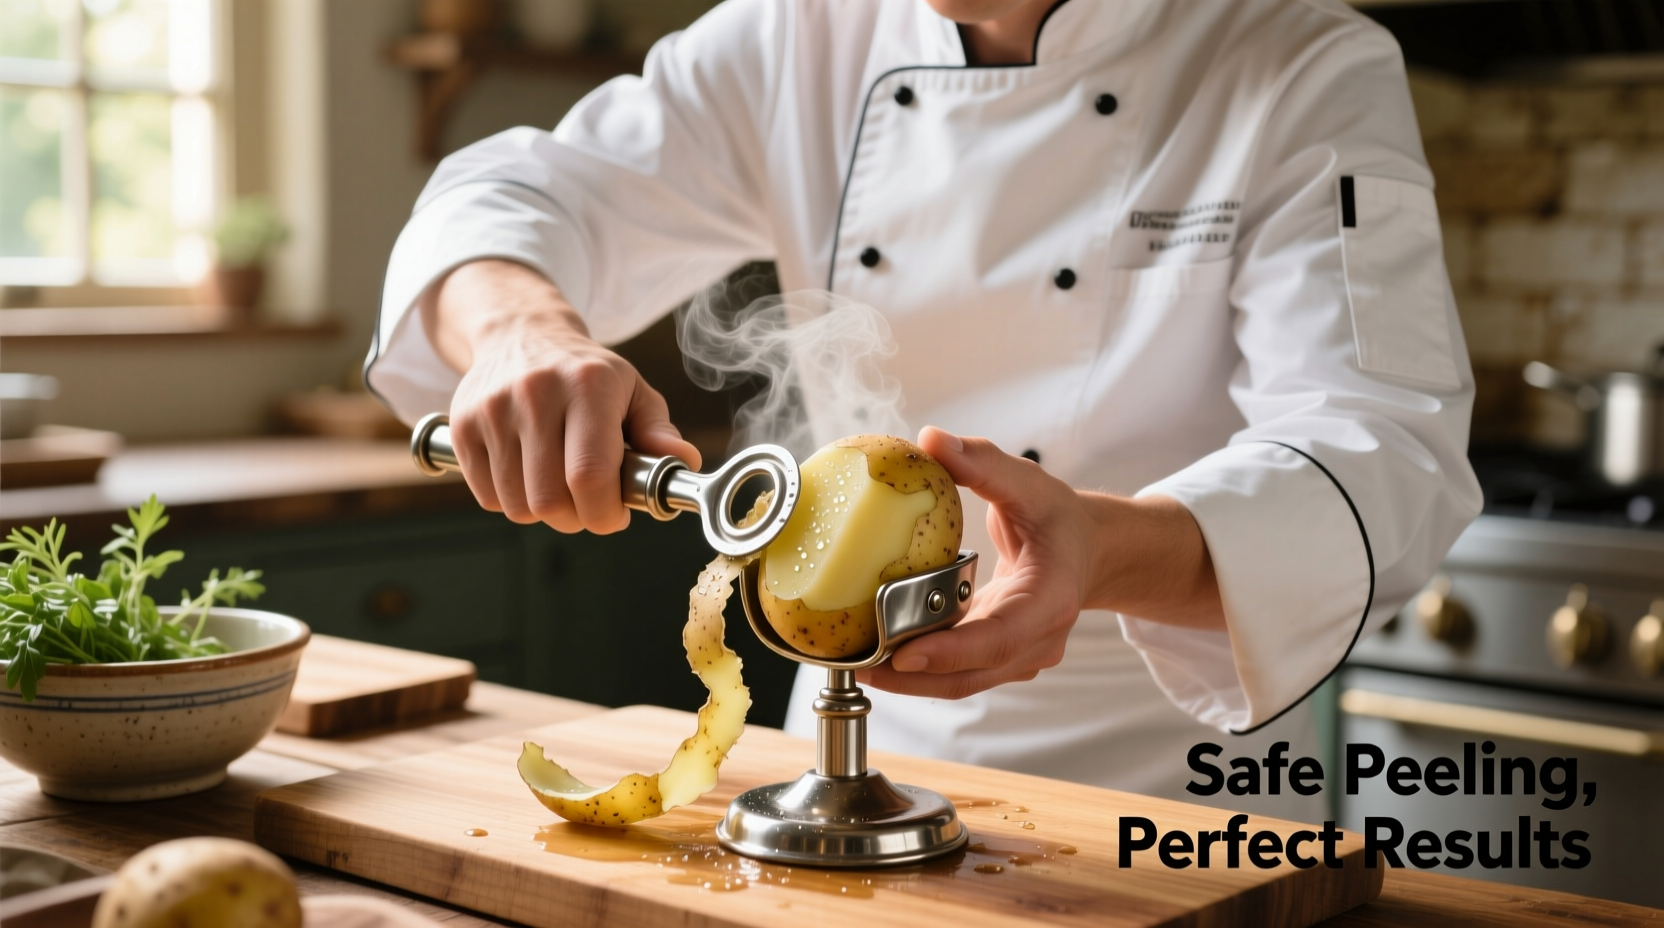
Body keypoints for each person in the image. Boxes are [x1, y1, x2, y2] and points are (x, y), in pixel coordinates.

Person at [366, 0, 1480, 821]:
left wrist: (1096, 552)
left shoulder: (1296, 61)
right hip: (845, 744)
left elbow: (1379, 452)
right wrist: (520, 331)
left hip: (1166, 780)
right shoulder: (792, 34)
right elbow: (515, 194)